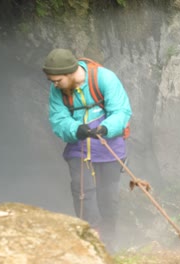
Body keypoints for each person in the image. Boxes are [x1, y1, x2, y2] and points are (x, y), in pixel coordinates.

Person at [43, 48, 132, 251]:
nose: (54, 85)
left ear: (70, 73)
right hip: (79, 145)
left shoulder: (104, 78)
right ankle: (92, 238)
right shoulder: (57, 90)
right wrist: (76, 129)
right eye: (52, 81)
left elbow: (121, 110)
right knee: (81, 191)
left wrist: (106, 128)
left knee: (108, 195)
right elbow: (58, 119)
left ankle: (110, 240)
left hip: (109, 145)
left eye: (57, 80)